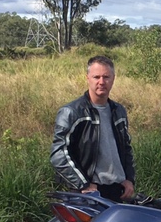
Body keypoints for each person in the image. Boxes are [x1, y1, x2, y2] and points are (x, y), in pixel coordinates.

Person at [50, 55, 135, 202]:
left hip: (118, 190)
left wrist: (129, 179)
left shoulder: (119, 111)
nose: (101, 82)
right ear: (87, 78)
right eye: (96, 77)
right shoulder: (72, 112)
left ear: (113, 78)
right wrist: (83, 183)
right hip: (89, 192)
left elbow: (126, 148)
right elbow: (59, 154)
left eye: (106, 77)